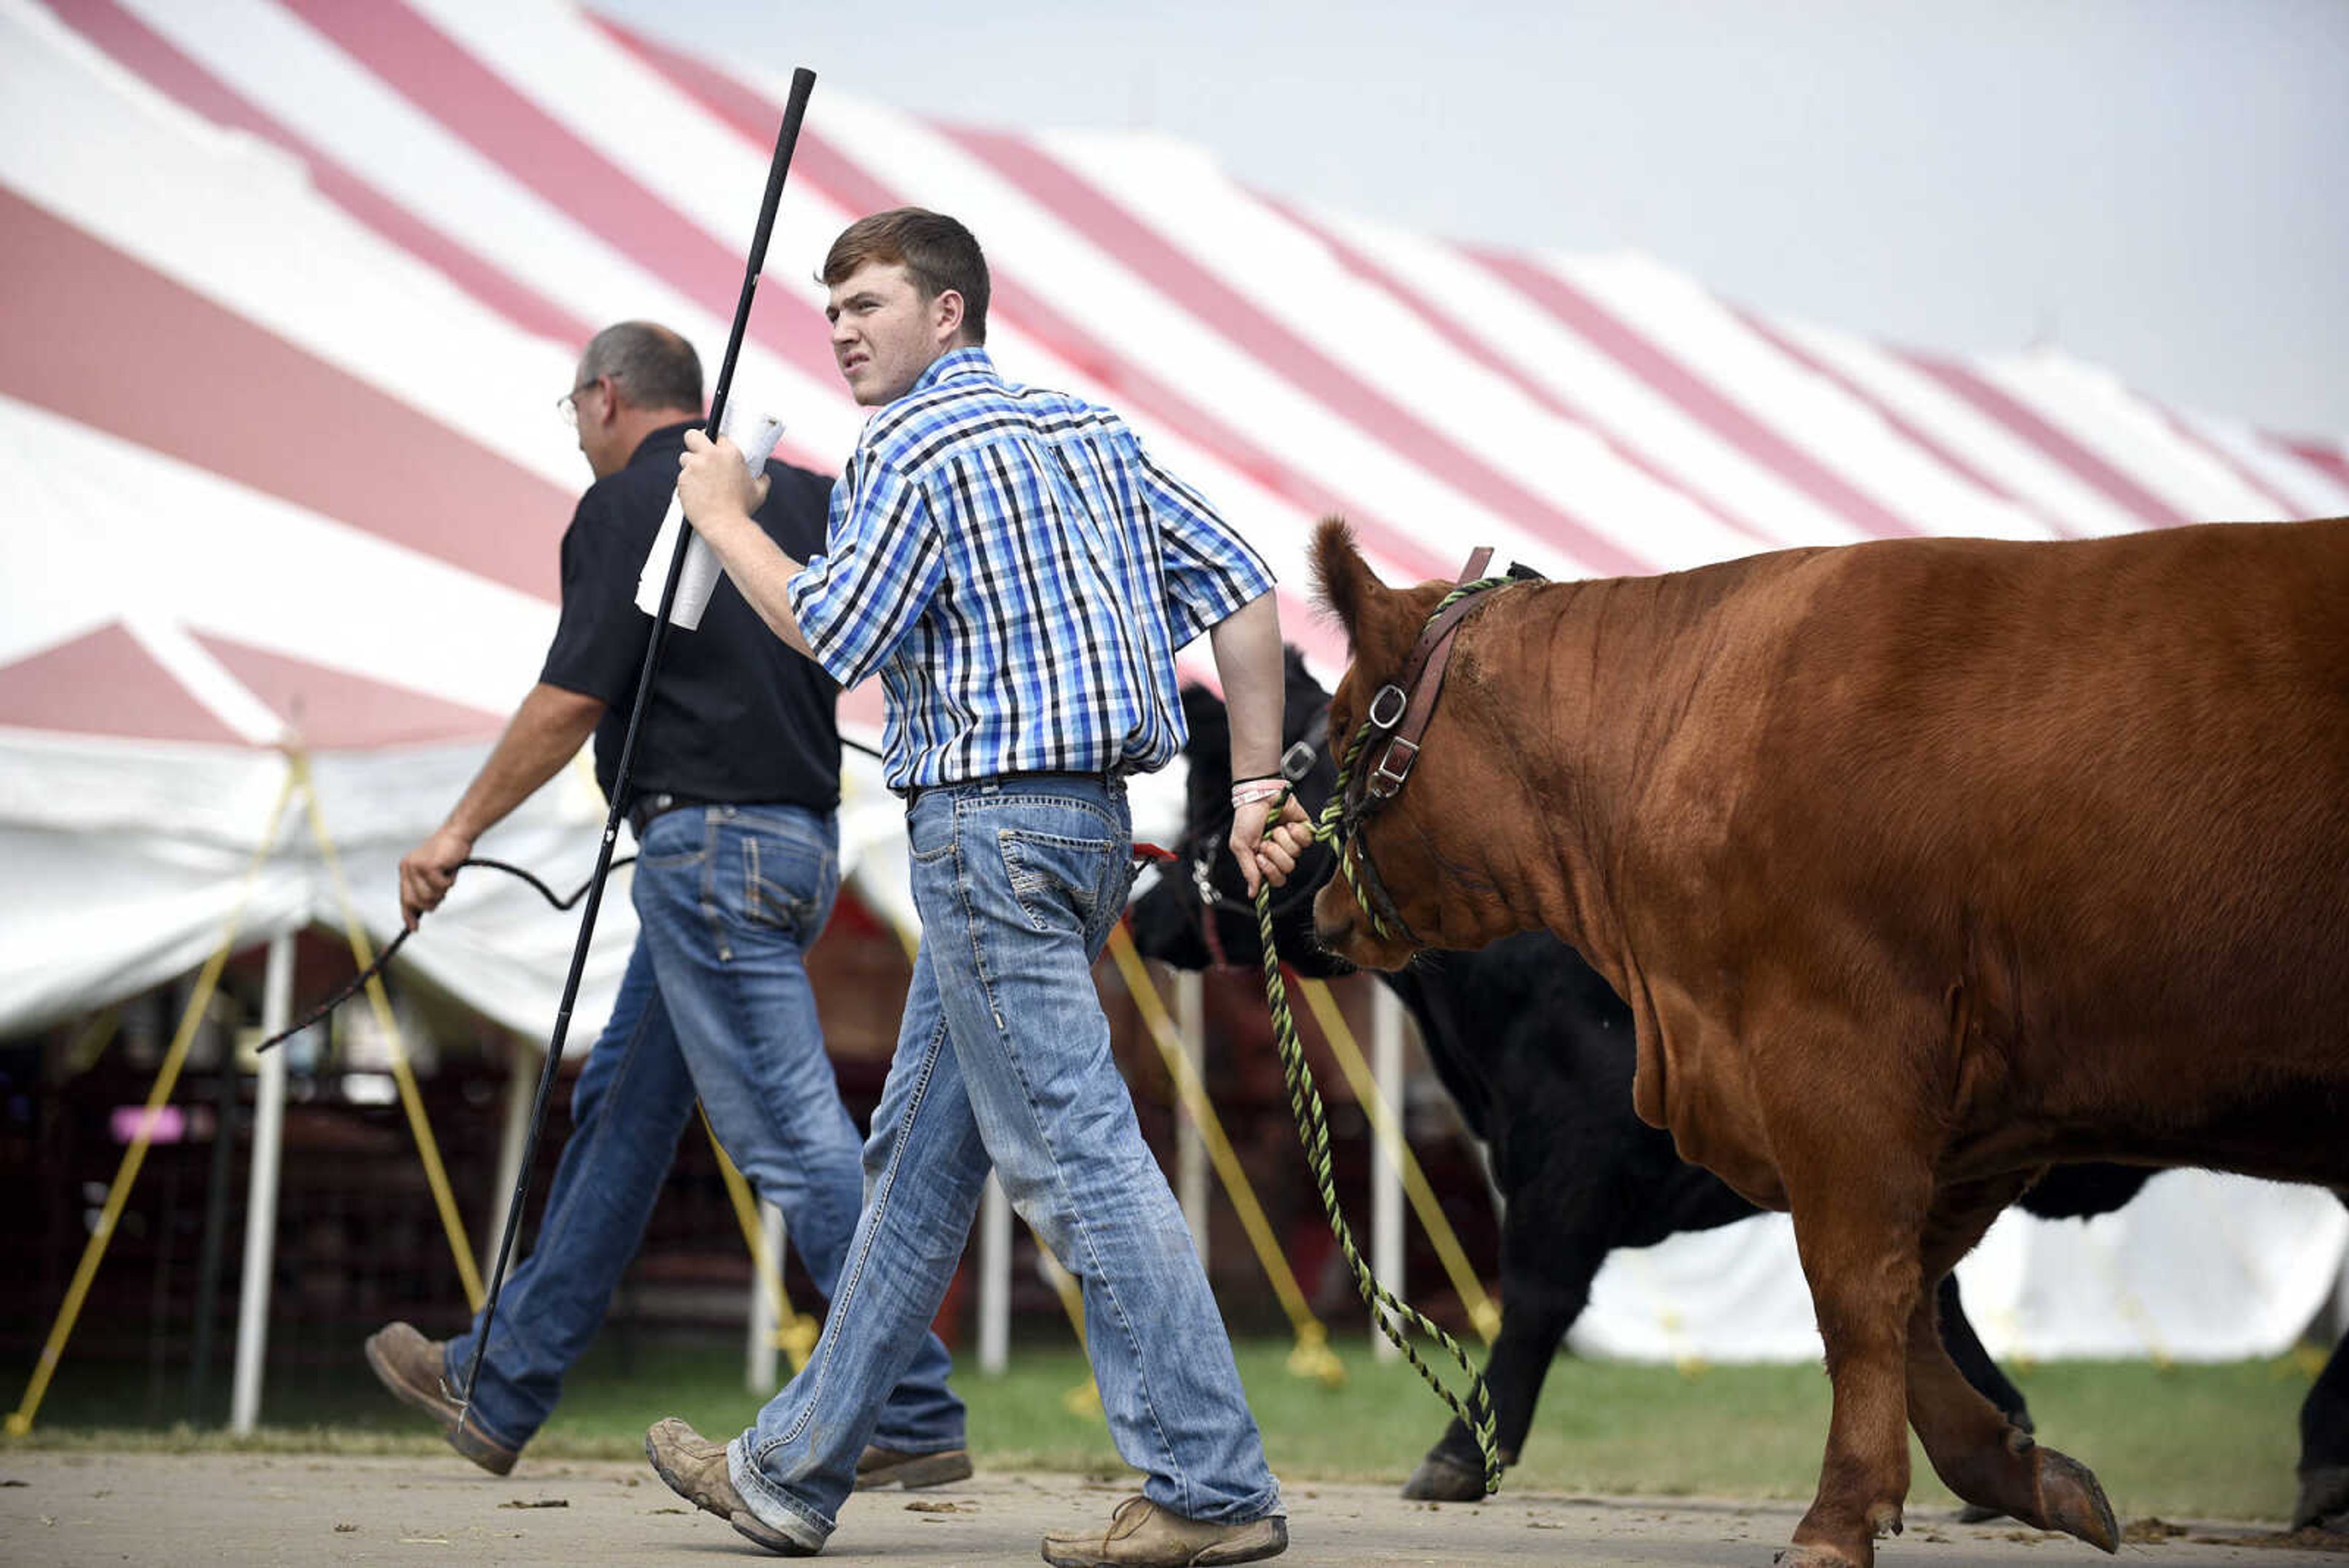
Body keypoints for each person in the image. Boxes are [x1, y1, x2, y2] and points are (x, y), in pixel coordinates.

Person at [642, 211, 1312, 1567]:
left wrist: (723, 515)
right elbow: (1245, 590)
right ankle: (788, 1470)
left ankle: (1211, 1484)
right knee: (915, 1164)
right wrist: (1248, 792)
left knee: (1073, 1153)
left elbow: (834, 629)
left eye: (870, 302)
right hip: (1084, 836)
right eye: (831, 307)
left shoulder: (908, 444)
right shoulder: (1090, 435)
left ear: (950, 313)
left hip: (986, 834)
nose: (841, 327)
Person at [365, 321, 968, 1492]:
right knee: (622, 1125)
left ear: (602, 399)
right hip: (794, 840)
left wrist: (457, 831)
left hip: (706, 847)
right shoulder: (795, 497)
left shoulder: (623, 505)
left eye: (573, 413)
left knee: (795, 1138)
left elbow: (571, 696)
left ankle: (911, 1397)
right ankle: (500, 1380)